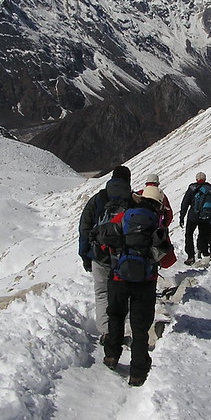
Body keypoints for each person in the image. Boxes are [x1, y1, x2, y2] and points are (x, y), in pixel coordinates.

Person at [100, 186, 175, 387]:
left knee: (116, 315)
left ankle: (111, 356)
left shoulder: (125, 217)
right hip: (145, 282)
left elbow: (104, 242)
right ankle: (137, 373)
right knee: (140, 328)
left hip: (118, 279)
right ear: (159, 206)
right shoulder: (157, 224)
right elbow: (168, 261)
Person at [78, 165, 134, 344]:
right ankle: (123, 329)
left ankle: (106, 332)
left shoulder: (98, 199)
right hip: (123, 256)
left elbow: (85, 229)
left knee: (102, 293)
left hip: (99, 254)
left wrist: (85, 255)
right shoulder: (132, 200)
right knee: (124, 293)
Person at [179, 172, 211, 264]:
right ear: (205, 179)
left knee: (189, 235)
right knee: (203, 235)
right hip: (206, 217)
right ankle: (205, 255)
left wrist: (182, 216)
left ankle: (191, 256)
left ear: (196, 179)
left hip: (193, 217)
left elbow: (185, 203)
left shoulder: (192, 188)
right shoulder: (210, 189)